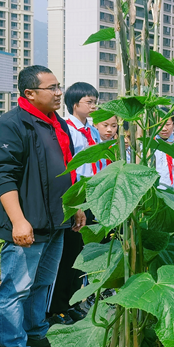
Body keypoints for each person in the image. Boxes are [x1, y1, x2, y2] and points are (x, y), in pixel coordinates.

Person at [0, 65, 86, 347]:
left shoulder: (56, 124)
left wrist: (75, 206)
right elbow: (3, 176)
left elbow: (69, 167)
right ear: (29, 93)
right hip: (27, 225)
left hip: (55, 220)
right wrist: (18, 221)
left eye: (59, 86)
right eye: (52, 88)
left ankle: (35, 332)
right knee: (16, 288)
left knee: (43, 284)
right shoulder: (10, 126)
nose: (59, 93)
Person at [48, 82, 101, 325]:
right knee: (68, 255)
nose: (93, 106)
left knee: (83, 255)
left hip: (93, 196)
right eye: (89, 102)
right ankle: (58, 307)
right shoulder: (67, 129)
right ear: (75, 104)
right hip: (76, 196)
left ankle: (73, 303)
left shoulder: (93, 130)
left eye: (94, 101)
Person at [155, 116, 174, 192]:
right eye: (160, 125)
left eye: (167, 124)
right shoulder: (148, 147)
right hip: (155, 193)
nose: (164, 129)